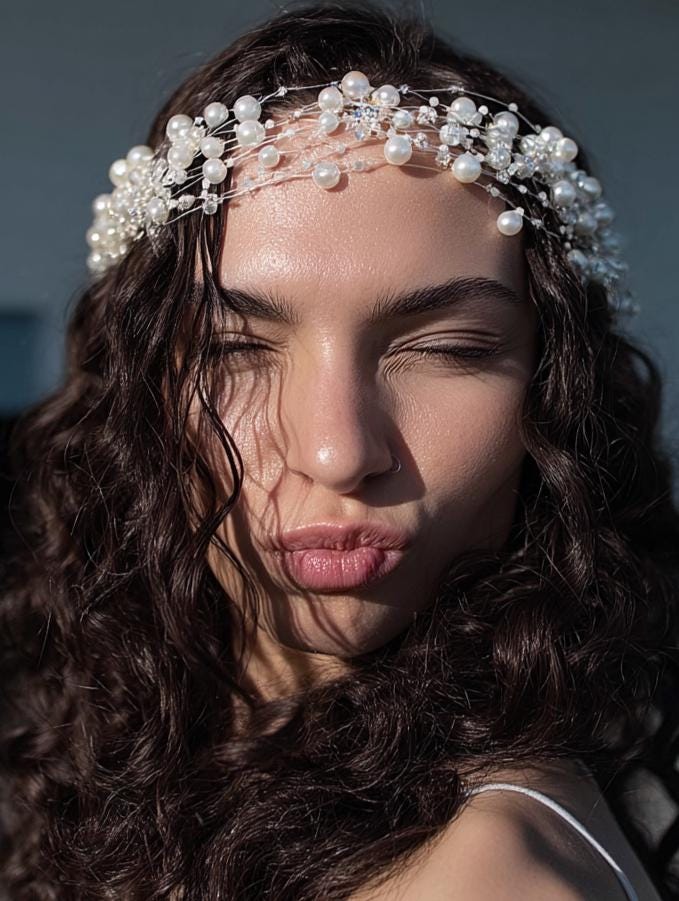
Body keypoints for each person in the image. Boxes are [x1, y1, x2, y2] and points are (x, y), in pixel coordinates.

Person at [0, 1, 677, 898]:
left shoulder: (484, 876)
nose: (335, 451)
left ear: (556, 390)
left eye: (449, 348)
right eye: (232, 351)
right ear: (138, 392)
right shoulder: (129, 742)